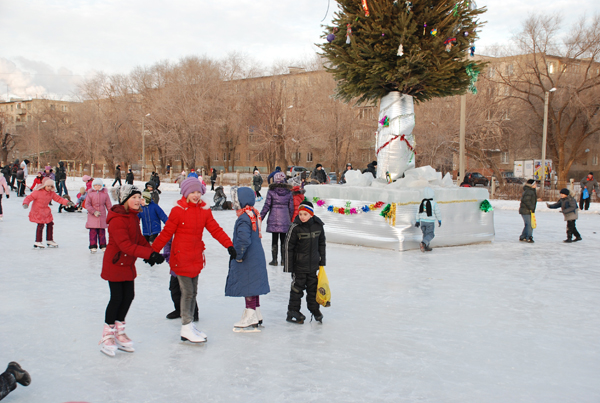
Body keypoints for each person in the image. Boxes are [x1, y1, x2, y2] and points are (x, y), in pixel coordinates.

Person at [151, 178, 235, 343]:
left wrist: (229, 245)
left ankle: (189, 326)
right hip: (180, 257)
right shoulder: (178, 210)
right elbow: (166, 232)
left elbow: (215, 229)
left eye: (198, 192)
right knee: (188, 292)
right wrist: (152, 252)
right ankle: (186, 326)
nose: (196, 195)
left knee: (193, 292)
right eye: (192, 192)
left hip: (196, 256)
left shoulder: (204, 210)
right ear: (185, 193)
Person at [99, 184, 165, 357]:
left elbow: (139, 240)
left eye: (139, 197)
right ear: (125, 200)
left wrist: (152, 253)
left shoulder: (133, 217)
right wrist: (148, 254)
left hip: (127, 264)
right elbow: (126, 245)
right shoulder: (117, 219)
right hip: (115, 264)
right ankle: (107, 335)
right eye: (134, 198)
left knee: (128, 296)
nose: (138, 200)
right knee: (116, 298)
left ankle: (119, 332)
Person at [226, 187, 270, 331]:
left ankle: (250, 315)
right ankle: (256, 312)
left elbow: (243, 239)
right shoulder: (253, 214)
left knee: (248, 285)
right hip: (256, 256)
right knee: (254, 285)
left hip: (248, 257)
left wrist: (239, 255)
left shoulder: (244, 218)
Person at [284, 201, 326, 324]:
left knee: (313, 290)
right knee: (297, 289)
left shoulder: (318, 226)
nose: (302, 216)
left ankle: (314, 310)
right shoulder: (295, 227)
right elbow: (288, 247)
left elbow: (322, 244)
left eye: (305, 214)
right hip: (299, 266)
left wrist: (322, 261)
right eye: (300, 214)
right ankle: (293, 311)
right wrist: (289, 266)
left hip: (313, 266)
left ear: (311, 215)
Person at [22, 177, 72, 248]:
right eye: (48, 186)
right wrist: (25, 203)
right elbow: (29, 198)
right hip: (37, 210)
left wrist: (67, 202)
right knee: (40, 224)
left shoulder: (51, 193)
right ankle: (38, 241)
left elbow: (58, 199)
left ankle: (49, 239)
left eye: (50, 186)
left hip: (45, 210)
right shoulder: (37, 192)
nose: (49, 188)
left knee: (50, 223)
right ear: (44, 185)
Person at [260, 172, 294, 266]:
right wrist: (289, 218)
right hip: (285, 218)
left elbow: (267, 206)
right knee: (284, 239)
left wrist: (260, 218)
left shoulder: (271, 191)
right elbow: (291, 207)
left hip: (274, 218)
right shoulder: (288, 192)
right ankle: (283, 260)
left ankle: (274, 260)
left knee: (274, 239)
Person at [163, 239, 199, 321]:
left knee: (187, 289)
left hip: (187, 265)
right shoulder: (170, 232)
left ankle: (193, 312)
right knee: (174, 288)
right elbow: (167, 245)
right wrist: (169, 258)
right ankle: (179, 309)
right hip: (175, 266)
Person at [86, 178, 112, 253]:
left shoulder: (105, 194)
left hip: (102, 215)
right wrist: (93, 211)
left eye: (99, 185)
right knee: (93, 232)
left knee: (102, 231)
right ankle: (93, 246)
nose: (97, 186)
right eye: (95, 185)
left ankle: (103, 245)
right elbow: (87, 205)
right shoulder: (90, 194)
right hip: (92, 216)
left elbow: (108, 205)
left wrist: (111, 214)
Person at [415, 187, 442, 252]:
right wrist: (439, 220)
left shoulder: (422, 203)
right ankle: (424, 243)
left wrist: (417, 221)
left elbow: (418, 212)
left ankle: (426, 247)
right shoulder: (434, 203)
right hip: (430, 222)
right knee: (430, 234)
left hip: (422, 222)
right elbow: (437, 212)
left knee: (425, 234)